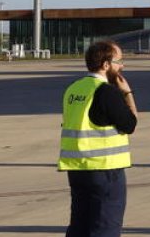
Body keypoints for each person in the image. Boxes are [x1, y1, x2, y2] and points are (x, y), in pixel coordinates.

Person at [59, 39, 138, 237]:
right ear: (105, 64)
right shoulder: (106, 92)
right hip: (104, 169)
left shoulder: (73, 89)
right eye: (119, 61)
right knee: (105, 226)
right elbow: (131, 124)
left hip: (77, 168)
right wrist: (127, 93)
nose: (122, 66)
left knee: (80, 225)